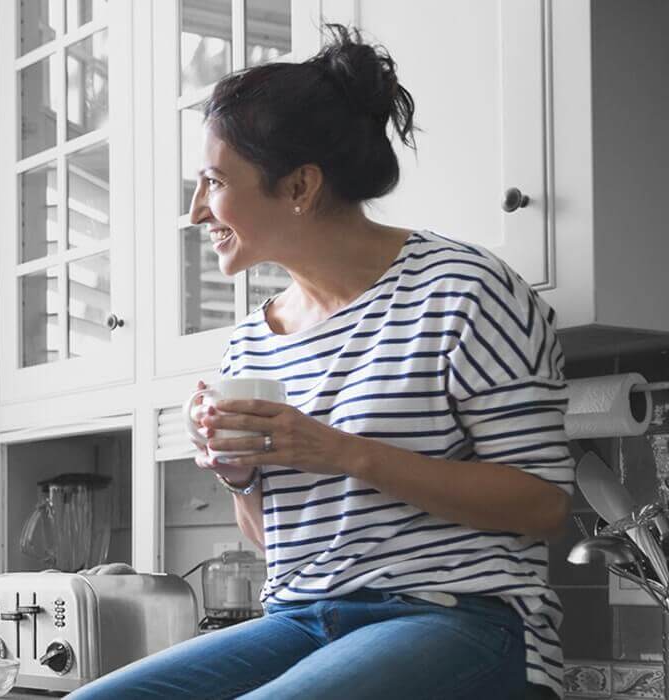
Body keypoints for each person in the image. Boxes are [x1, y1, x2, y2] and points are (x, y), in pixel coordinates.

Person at [71, 26, 572, 699]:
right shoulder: (252, 342)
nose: (196, 212)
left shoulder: (465, 291)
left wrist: (342, 452)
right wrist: (238, 471)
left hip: (465, 620)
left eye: (214, 182)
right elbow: (272, 541)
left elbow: (541, 503)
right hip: (304, 620)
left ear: (301, 184)